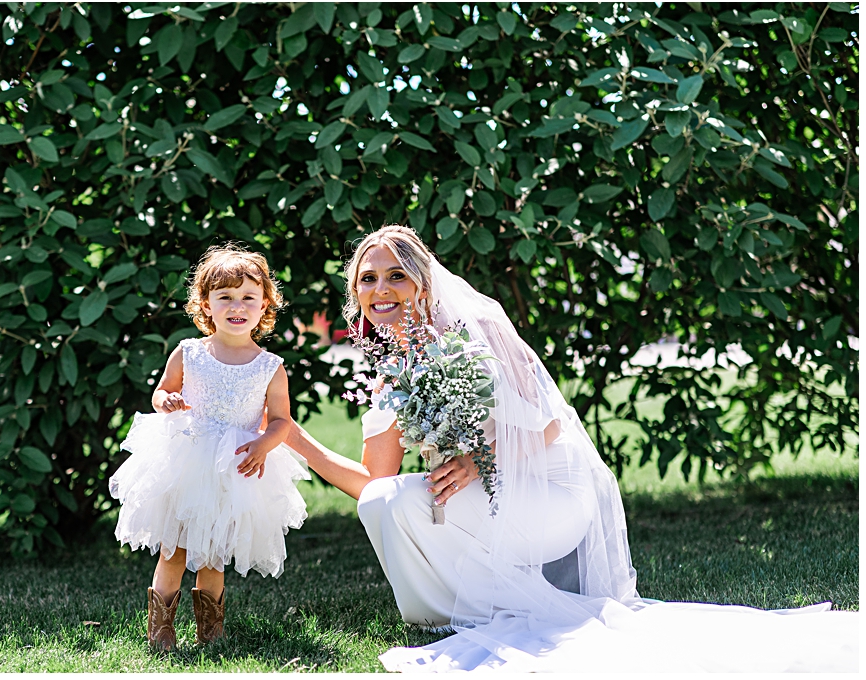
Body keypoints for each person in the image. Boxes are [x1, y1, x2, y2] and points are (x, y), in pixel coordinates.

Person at [284, 225, 859, 672]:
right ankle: (444, 618)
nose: (380, 290)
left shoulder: (474, 333)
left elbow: (552, 426)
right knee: (383, 502)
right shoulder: (388, 376)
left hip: (551, 493)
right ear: (356, 293)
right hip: (482, 495)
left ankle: (476, 611)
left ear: (422, 283)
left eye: (395, 277)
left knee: (399, 501)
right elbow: (373, 483)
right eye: (367, 279)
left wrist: (479, 460)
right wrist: (292, 435)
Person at [110, 245, 308, 651]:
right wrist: (165, 400)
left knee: (214, 555)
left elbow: (281, 421)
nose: (238, 306)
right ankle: (161, 631)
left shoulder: (269, 366)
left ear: (264, 304)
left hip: (233, 469)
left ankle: (210, 632)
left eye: (248, 297)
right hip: (187, 461)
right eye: (226, 297)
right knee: (174, 551)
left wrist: (263, 445)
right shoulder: (190, 352)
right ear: (206, 304)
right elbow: (162, 391)